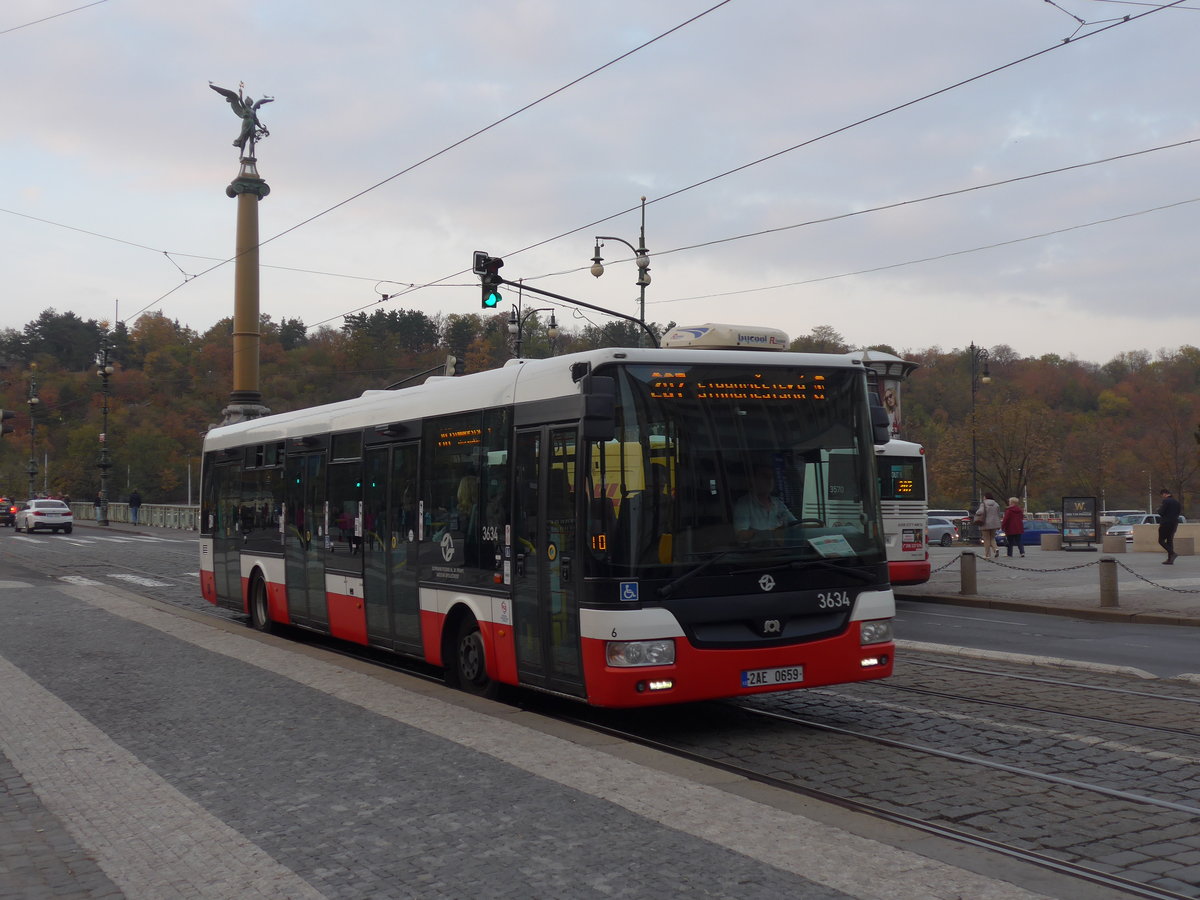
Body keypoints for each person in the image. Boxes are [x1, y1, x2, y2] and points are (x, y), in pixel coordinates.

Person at [734, 464, 797, 543]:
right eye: (764, 476)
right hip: (758, 550)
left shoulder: (777, 503)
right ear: (753, 480)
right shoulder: (744, 504)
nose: (769, 479)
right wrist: (771, 534)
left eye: (771, 477)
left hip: (782, 549)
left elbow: (795, 524)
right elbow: (741, 535)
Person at [1156, 488, 1182, 564]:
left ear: (1164, 494)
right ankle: (1170, 560)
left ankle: (1172, 553)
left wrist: (1158, 510)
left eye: (1162, 495)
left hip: (1166, 523)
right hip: (1174, 523)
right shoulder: (1177, 502)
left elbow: (1161, 512)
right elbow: (1178, 512)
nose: (1162, 497)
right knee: (1169, 541)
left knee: (1161, 540)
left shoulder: (1166, 501)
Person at [975, 492, 1002, 558]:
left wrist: (977, 512)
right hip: (994, 523)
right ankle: (996, 549)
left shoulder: (983, 504)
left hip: (985, 523)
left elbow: (980, 512)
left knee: (986, 539)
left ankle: (987, 554)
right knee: (992, 538)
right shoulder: (996, 504)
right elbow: (998, 514)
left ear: (986, 497)